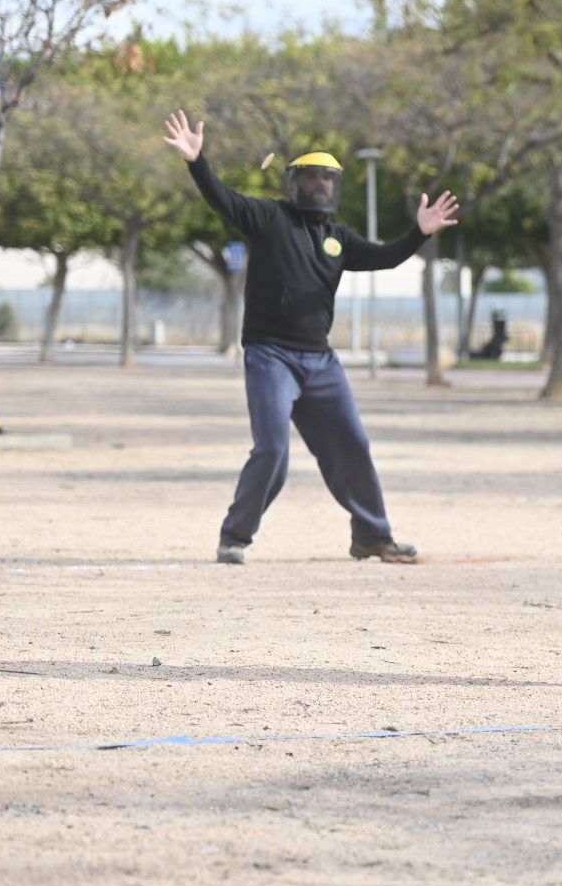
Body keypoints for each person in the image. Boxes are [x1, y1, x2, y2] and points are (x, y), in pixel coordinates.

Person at [162, 110, 460, 562]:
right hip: (270, 357)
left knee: (353, 444)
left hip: (320, 362)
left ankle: (372, 536)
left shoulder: (337, 238)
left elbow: (385, 258)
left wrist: (418, 233)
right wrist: (197, 163)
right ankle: (234, 538)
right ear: (293, 182)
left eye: (328, 178)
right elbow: (223, 199)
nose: (320, 185)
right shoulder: (268, 218)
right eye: (311, 178)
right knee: (273, 450)